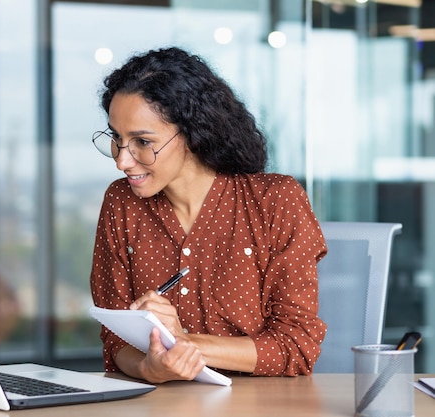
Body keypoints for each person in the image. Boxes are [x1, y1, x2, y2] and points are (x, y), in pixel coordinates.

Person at [89, 46, 327, 382]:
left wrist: (186, 344)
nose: (121, 160)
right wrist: (149, 368)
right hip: (161, 407)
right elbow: (116, 341)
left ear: (193, 132)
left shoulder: (276, 201)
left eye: (142, 141)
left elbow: (296, 346)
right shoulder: (121, 202)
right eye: (117, 138)